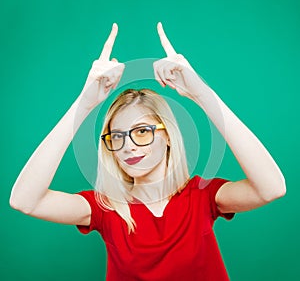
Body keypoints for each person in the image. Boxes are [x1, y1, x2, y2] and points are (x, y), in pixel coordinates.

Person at [10, 22, 286, 280]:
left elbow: (271, 188)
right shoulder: (106, 208)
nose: (128, 144)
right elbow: (25, 200)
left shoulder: (202, 196)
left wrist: (202, 94)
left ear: (167, 136)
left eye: (141, 131)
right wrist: (83, 105)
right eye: (117, 136)